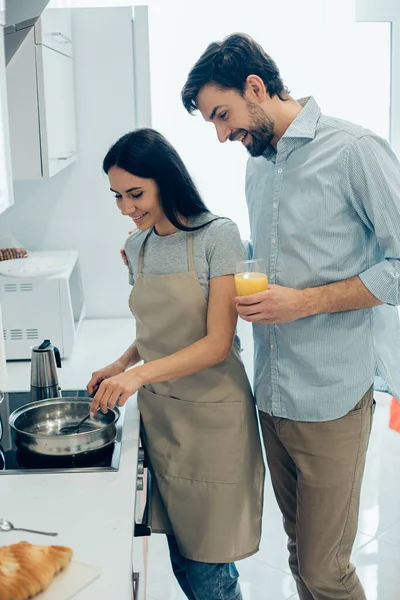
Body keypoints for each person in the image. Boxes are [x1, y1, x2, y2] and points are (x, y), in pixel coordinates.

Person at [181, 32, 400, 600]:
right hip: (272, 395)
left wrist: (303, 302)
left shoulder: (354, 150)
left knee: (327, 570)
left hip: (331, 398)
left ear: (256, 87)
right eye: (213, 122)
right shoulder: (259, 165)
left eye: (223, 114)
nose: (223, 133)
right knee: (301, 555)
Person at [87, 128, 265, 600]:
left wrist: (138, 374)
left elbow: (216, 344)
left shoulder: (218, 236)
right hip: (163, 420)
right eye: (117, 196)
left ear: (165, 180)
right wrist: (121, 361)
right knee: (184, 559)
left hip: (213, 420)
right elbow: (157, 330)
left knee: (210, 570)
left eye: (136, 193)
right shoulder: (138, 247)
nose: (127, 208)